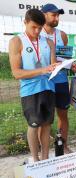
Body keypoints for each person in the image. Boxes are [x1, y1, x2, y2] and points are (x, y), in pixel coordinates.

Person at [9, 9, 58, 161]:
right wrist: (42, 70)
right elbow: (16, 73)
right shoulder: (16, 41)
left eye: (40, 28)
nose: (37, 31)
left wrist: (61, 66)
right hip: (30, 91)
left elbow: (52, 66)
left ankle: (44, 158)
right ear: (25, 22)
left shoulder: (48, 42)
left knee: (47, 125)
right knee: (34, 124)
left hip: (49, 88)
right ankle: (35, 159)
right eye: (33, 27)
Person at [41, 3, 76, 153]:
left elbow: (65, 58)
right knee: (44, 118)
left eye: (58, 15)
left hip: (61, 80)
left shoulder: (62, 35)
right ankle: (42, 150)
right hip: (45, 81)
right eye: (53, 15)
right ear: (44, 15)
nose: (57, 18)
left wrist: (71, 65)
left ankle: (64, 145)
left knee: (63, 115)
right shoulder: (38, 34)